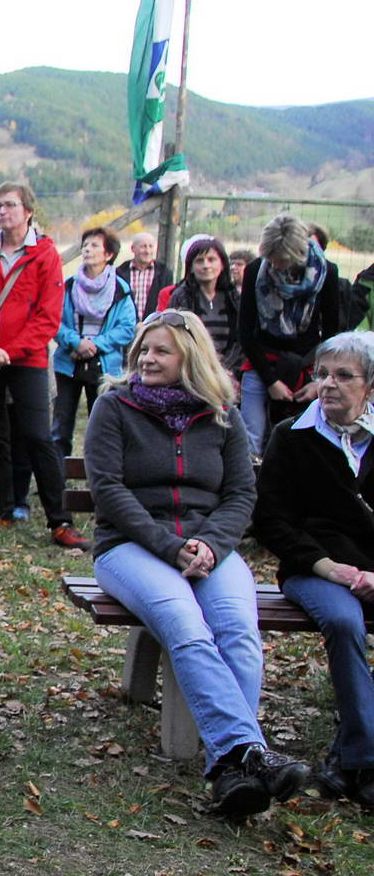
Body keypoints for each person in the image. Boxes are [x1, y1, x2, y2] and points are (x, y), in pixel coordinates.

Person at [86, 309, 307, 816]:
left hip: (210, 547)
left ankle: (231, 771)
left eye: (161, 350)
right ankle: (248, 752)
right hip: (130, 547)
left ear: (190, 357)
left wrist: (210, 543)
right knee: (187, 626)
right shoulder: (113, 406)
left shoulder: (221, 413)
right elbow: (109, 492)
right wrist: (170, 547)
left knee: (238, 631)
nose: (147, 359)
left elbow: (240, 493)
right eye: (143, 349)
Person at [254, 331, 374, 809]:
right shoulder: (292, 436)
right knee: (343, 621)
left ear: (370, 387)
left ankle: (346, 758)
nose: (328, 384)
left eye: (344, 376)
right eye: (322, 374)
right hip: (314, 569)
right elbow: (271, 521)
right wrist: (329, 568)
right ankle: (364, 760)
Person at [0, 181, 85, 547]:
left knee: (37, 436)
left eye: (10, 205)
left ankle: (60, 521)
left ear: (28, 211)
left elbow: (48, 316)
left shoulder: (45, 255)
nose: (2, 211)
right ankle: (1, 508)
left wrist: (9, 351)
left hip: (27, 359)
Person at [238, 214, 344, 456]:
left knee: (304, 443)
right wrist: (270, 381)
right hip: (261, 361)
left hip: (308, 365)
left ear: (298, 254)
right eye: (271, 258)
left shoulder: (327, 273)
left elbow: (331, 332)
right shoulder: (255, 271)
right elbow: (245, 331)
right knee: (250, 440)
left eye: (282, 259)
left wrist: (319, 382)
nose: (275, 265)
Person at [51, 226, 136, 458]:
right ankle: (57, 475)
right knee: (60, 427)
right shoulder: (68, 286)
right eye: (85, 245)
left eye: (94, 245)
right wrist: (76, 343)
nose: (87, 249)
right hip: (68, 363)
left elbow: (127, 328)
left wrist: (95, 345)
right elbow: (54, 321)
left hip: (104, 366)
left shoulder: (121, 290)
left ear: (108, 254)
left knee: (102, 426)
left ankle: (98, 473)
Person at [167, 235, 244, 378]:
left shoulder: (233, 297)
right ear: (191, 267)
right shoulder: (180, 297)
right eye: (199, 261)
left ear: (222, 265)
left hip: (229, 372)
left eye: (211, 259)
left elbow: (241, 340)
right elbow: (177, 338)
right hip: (191, 372)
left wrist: (225, 369)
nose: (206, 265)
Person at [117, 231, 172, 323]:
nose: (147, 251)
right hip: (126, 325)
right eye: (143, 246)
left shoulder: (165, 274)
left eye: (151, 246)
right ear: (132, 248)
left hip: (154, 325)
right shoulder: (120, 272)